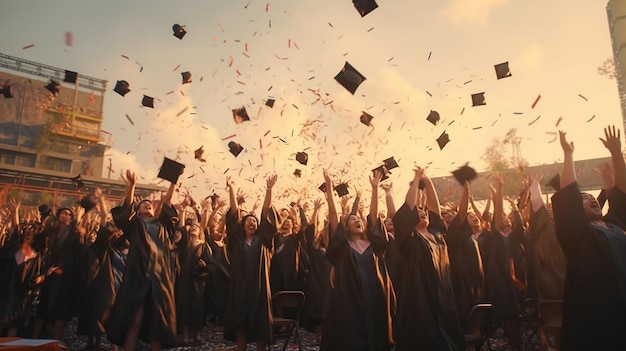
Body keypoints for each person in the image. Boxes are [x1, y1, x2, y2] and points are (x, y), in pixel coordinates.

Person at [552, 127, 626, 350]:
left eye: (592, 196)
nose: (590, 199)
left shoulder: (614, 224)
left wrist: (616, 153)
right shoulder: (576, 233)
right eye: (583, 198)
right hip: (595, 319)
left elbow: (621, 192)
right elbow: (568, 193)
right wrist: (568, 155)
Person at [321, 169, 395, 351]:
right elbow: (332, 213)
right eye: (352, 219)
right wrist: (329, 188)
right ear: (344, 228)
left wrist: (375, 188)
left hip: (375, 300)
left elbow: (374, 215)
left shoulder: (375, 245)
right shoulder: (340, 248)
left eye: (358, 219)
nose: (357, 220)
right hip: (349, 303)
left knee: (377, 339)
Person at [106, 169, 179, 351]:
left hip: (159, 277)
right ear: (137, 211)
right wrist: (131, 187)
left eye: (150, 204)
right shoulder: (134, 225)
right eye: (143, 204)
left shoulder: (161, 224)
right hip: (138, 275)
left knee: (158, 321)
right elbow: (125, 212)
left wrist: (173, 181)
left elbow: (167, 202)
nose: (147, 205)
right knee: (135, 319)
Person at [392, 167, 463, 351]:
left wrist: (427, 180)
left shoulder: (437, 234)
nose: (422, 212)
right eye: (418, 212)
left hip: (443, 299)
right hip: (420, 301)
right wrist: (416, 180)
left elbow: (433, 207)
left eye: (424, 212)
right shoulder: (409, 239)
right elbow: (408, 206)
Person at [223, 175, 277, 351]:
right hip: (240, 287)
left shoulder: (264, 240)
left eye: (254, 221)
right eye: (248, 220)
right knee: (241, 323)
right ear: (243, 225)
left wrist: (269, 189)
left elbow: (266, 210)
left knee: (260, 324)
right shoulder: (235, 240)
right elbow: (233, 212)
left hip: (260, 287)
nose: (252, 222)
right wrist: (231, 188)